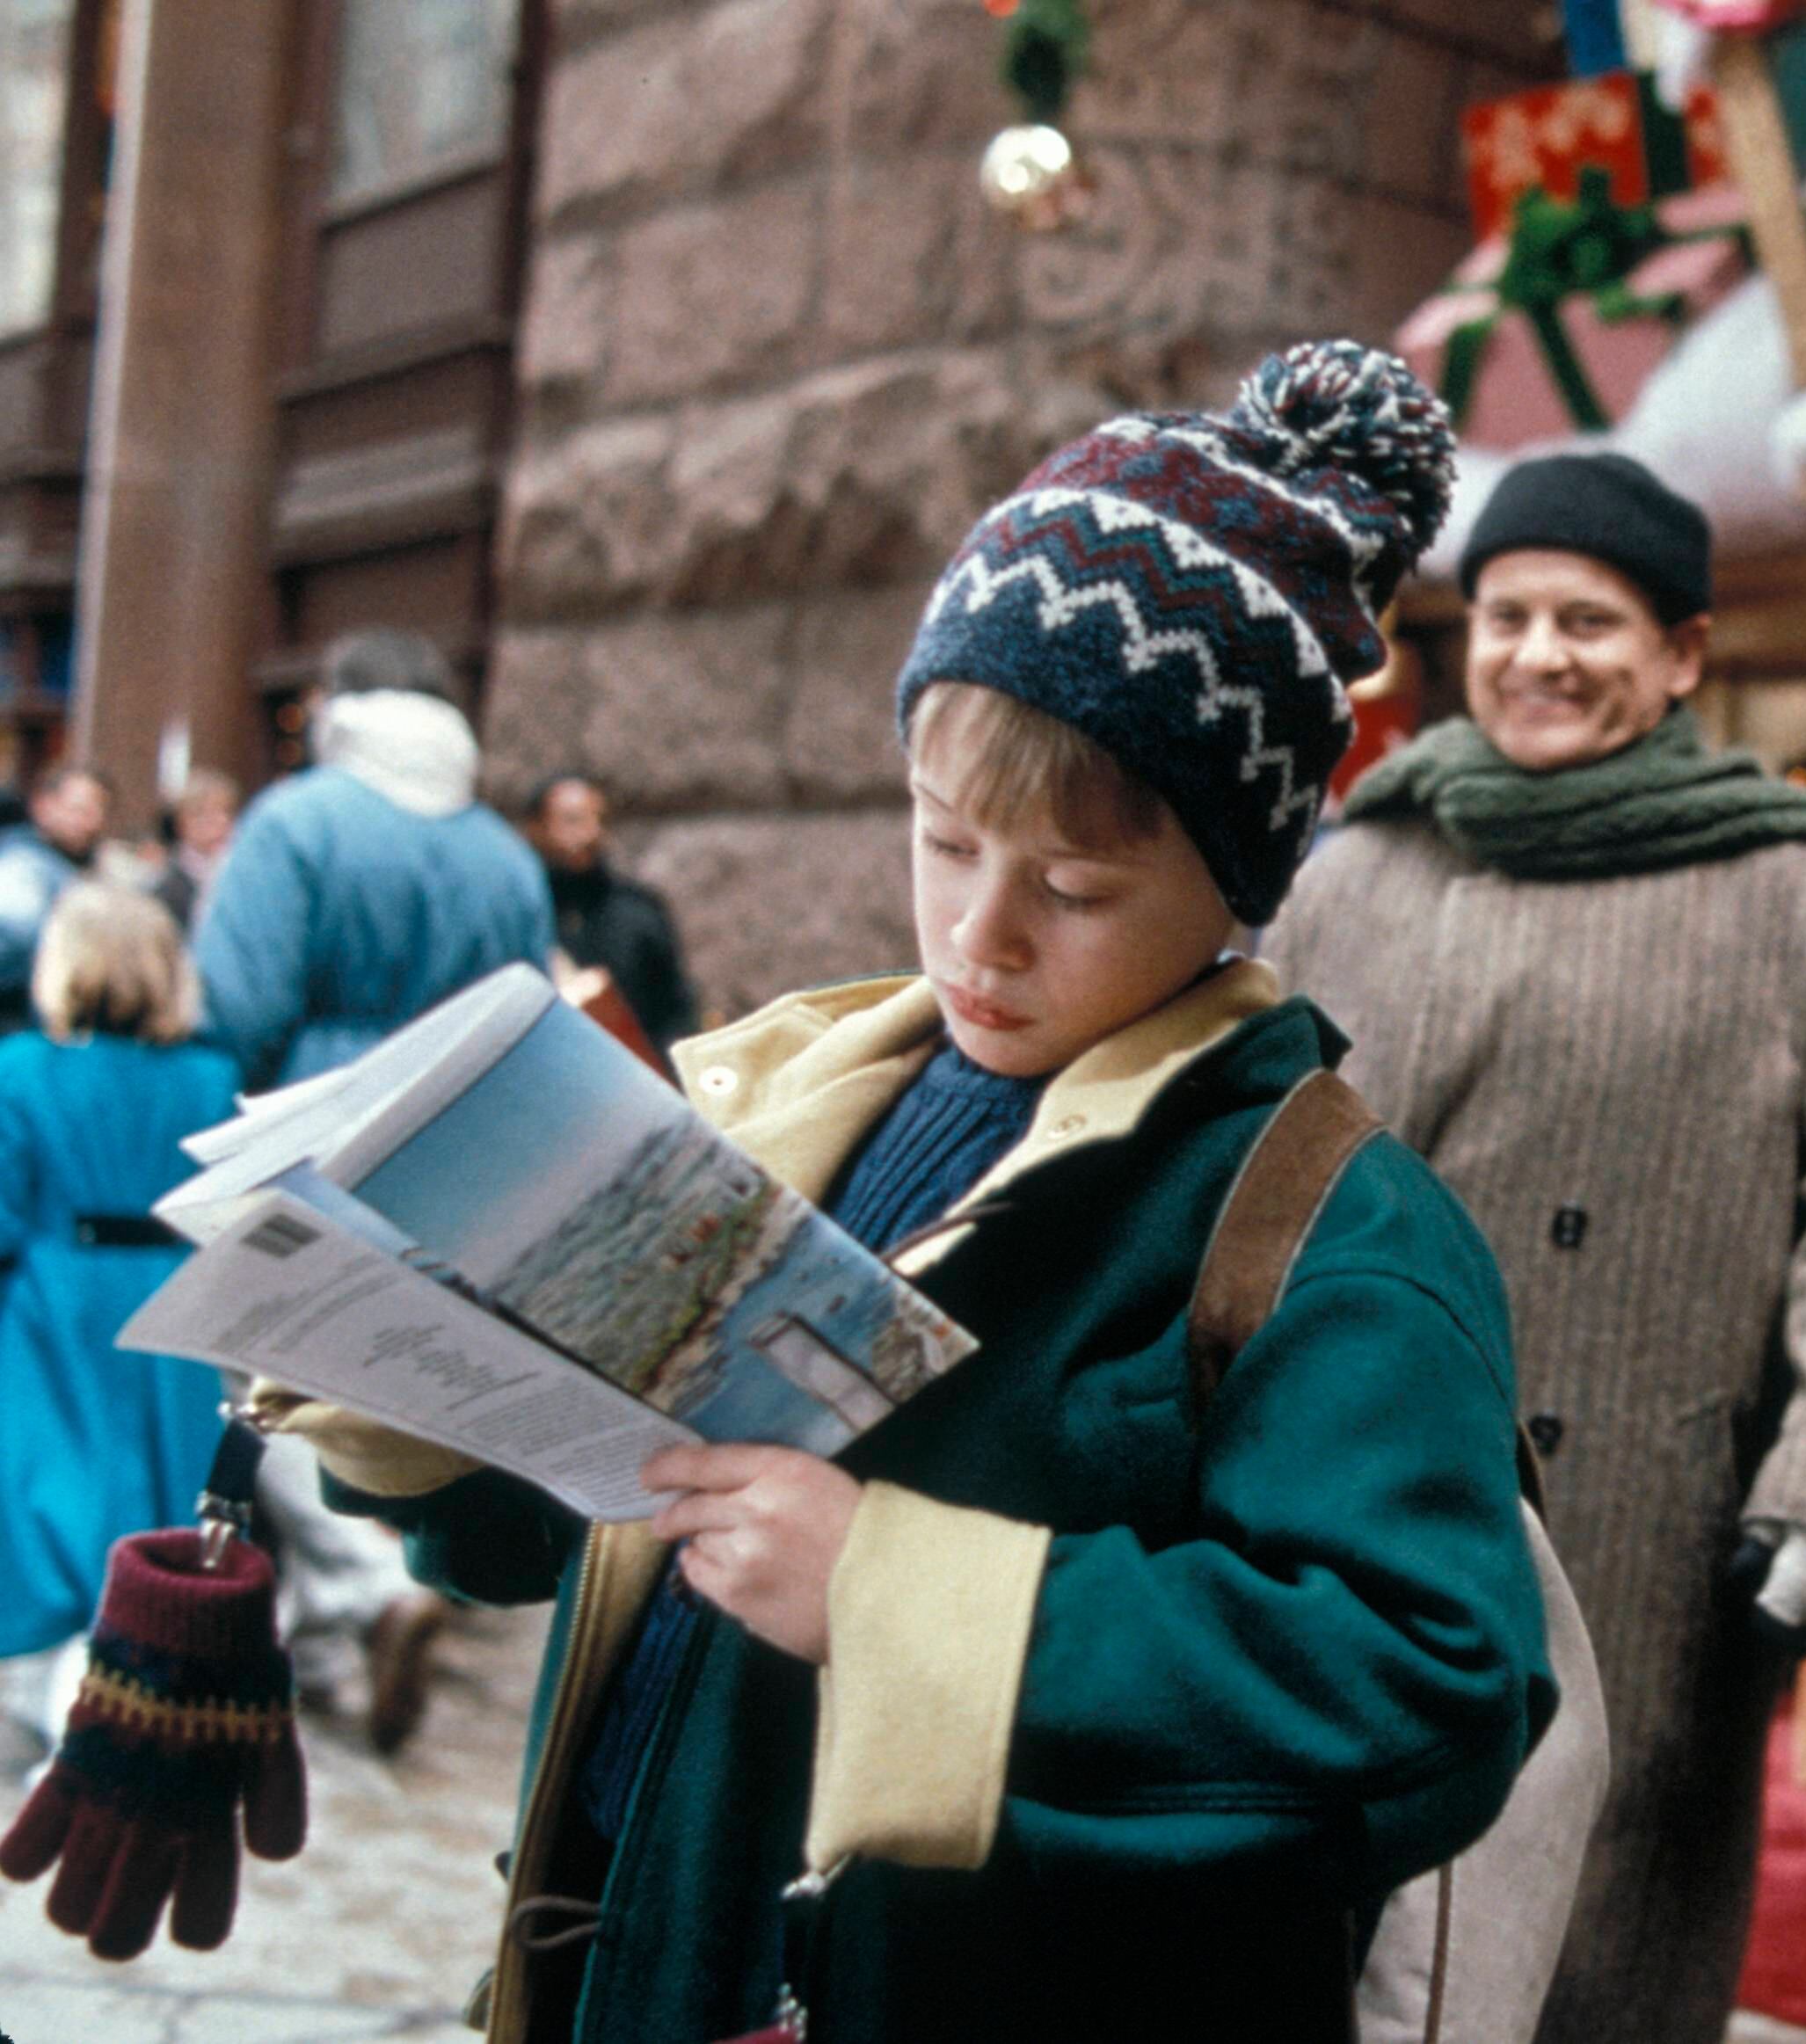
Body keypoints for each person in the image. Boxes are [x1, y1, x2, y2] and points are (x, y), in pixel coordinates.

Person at [260, 340, 1552, 2044]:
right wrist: (405, 1386)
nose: (982, 934)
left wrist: (892, 1591)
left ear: (1237, 875)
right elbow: (572, 1538)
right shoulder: (786, 1103)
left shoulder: (1328, 1229)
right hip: (635, 1956)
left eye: (1074, 882)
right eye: (944, 839)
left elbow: (1438, 1679)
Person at [1268, 448, 1806, 2044]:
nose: (1540, 656)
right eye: (1510, 617)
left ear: (1683, 657)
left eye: (1591, 621)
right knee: (1344, 1925)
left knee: (1606, 1946)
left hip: (1657, 1535)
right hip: (1350, 1495)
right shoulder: (1357, 871)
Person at [193, 627, 555, 1751]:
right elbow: (532, 1016)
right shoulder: (506, 856)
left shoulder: (298, 823)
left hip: (318, 1131)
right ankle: (331, 1630)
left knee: (281, 1376)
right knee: (403, 1381)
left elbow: (238, 1005)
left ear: (343, 707)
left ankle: (363, 1587)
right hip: (459, 1152)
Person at [0, 885, 241, 1733]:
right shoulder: (212, 1076)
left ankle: (52, 1682)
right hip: (175, 1296)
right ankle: (121, 1668)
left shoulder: (21, 1068)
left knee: (52, 1486)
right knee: (160, 1487)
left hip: (56, 1303)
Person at [523, 771, 701, 1051]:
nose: (590, 833)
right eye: (573, 821)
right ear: (537, 829)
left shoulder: (637, 911)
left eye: (599, 820)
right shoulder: (523, 915)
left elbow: (674, 1011)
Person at [0, 762, 112, 1032]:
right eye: (79, 810)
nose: (91, 822)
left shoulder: (81, 869)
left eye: (101, 811)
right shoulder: (22, 868)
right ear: (42, 807)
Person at [149, 768, 241, 931]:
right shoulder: (167, 890)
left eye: (227, 812)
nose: (221, 822)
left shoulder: (242, 875)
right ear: (182, 824)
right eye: (206, 814)